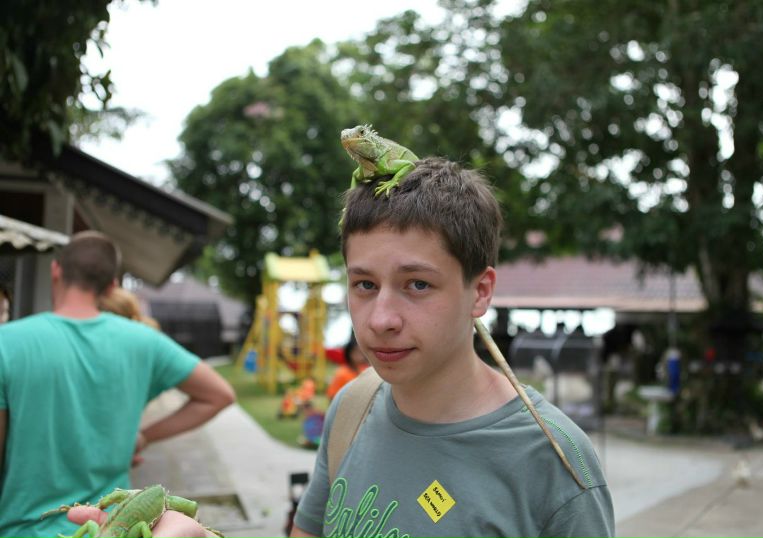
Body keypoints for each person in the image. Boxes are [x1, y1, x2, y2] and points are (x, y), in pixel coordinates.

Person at [70, 158, 614, 537]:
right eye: (364, 284)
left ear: (481, 291)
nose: (380, 320)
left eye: (417, 284)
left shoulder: (555, 465)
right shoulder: (353, 407)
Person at [0, 230, 235, 537]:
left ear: (55, 270)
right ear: (112, 285)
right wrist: (144, 437)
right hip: (110, 530)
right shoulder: (146, 342)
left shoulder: (6, 342)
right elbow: (220, 395)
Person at [325, 332, 369, 400]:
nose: (361, 355)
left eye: (362, 352)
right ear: (349, 353)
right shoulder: (342, 373)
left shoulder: (365, 370)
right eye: (357, 352)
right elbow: (332, 396)